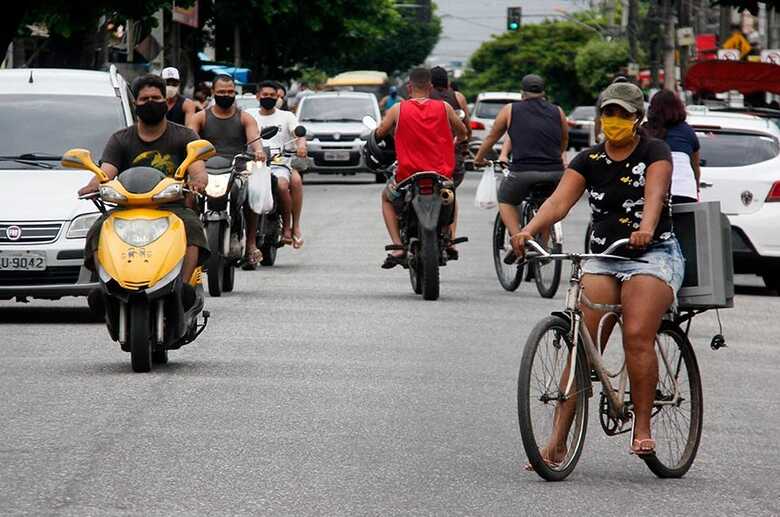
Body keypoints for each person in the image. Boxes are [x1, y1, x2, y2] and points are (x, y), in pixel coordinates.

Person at [515, 82, 683, 462]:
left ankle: (642, 426)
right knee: (581, 343)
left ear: (638, 118)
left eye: (623, 114)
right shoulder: (588, 159)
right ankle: (558, 439)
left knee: (636, 334)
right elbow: (558, 202)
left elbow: (655, 195)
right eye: (609, 113)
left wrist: (646, 228)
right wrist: (528, 230)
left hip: (652, 254)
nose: (614, 120)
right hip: (605, 256)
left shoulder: (655, 151)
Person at [78, 73, 209, 285]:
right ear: (135, 104)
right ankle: (105, 284)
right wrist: (92, 186)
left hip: (172, 207)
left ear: (165, 101)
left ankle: (184, 286)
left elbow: (198, 169)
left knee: (193, 228)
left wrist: (198, 182)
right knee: (97, 230)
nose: (150, 103)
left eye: (156, 98)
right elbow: (106, 172)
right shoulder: (120, 139)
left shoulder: (185, 136)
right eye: (145, 99)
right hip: (126, 208)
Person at [374, 67, 468, 269]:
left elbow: (379, 133)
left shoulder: (397, 109)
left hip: (407, 175)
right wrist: (455, 141)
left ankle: (398, 246)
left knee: (386, 198)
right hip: (440, 175)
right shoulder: (445, 108)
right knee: (450, 196)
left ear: (409, 87)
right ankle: (450, 239)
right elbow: (463, 133)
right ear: (430, 87)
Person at [474, 74, 568, 254]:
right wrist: (557, 156)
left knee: (505, 199)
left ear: (522, 93)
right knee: (547, 204)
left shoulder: (510, 110)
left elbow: (492, 137)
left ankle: (518, 239)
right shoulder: (558, 111)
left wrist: (478, 159)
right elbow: (564, 140)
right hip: (555, 172)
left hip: (523, 172)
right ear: (544, 93)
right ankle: (543, 245)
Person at [187, 74, 267, 268]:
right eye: (222, 92)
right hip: (205, 170)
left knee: (252, 194)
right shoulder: (200, 117)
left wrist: (258, 151)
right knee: (187, 197)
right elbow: (190, 141)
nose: (226, 95)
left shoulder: (245, 117)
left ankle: (251, 245)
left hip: (237, 169)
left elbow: (254, 138)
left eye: (230, 92)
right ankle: (189, 244)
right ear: (213, 92)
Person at [252, 80, 308, 249]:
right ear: (258, 96)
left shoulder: (286, 116)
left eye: (272, 95)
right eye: (265, 95)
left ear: (278, 98)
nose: (268, 98)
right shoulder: (249, 115)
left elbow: (298, 133)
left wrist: (301, 146)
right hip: (252, 164)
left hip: (279, 163)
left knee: (283, 185)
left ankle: (288, 227)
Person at [429, 66, 472, 259]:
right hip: (452, 158)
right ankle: (451, 239)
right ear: (447, 82)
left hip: (426, 157)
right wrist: (463, 146)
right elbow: (466, 129)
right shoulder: (457, 97)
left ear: (429, 83)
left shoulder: (423, 98)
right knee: (450, 194)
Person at [644, 89, 701, 204]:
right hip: (685, 192)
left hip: (655, 192)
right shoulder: (687, 131)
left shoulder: (645, 131)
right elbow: (695, 167)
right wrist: (696, 188)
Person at [593, 75, 630, 140]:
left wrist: (597, 137)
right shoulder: (605, 95)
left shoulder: (604, 94)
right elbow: (598, 118)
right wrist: (597, 137)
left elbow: (598, 118)